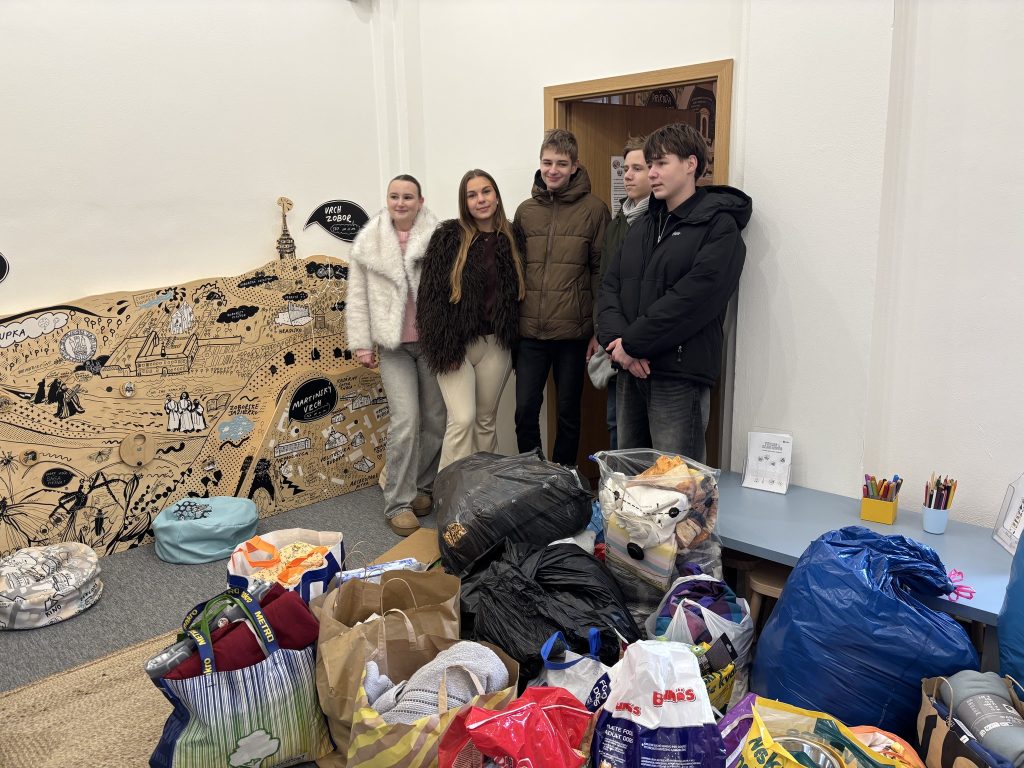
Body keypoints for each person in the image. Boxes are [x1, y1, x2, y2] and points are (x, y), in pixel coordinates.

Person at [598, 122, 752, 463]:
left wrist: (631, 344)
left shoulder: (719, 226)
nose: (652, 173)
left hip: (678, 377)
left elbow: (693, 300)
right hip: (629, 371)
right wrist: (618, 345)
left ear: (691, 164)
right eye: (649, 164)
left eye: (661, 163)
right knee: (629, 480)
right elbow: (609, 287)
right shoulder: (642, 227)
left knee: (676, 484)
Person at [346, 174, 445, 536]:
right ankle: (398, 502)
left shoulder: (438, 237)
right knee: (406, 420)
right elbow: (357, 296)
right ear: (387, 199)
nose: (400, 203)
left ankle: (421, 488)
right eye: (394, 196)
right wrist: (362, 343)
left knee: (436, 420)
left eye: (408, 197)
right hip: (393, 348)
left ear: (420, 201)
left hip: (431, 345)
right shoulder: (368, 242)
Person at [513, 129, 610, 466]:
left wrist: (598, 330)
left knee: (568, 412)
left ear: (575, 166)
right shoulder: (525, 211)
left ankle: (563, 477)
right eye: (547, 162)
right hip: (530, 333)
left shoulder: (595, 210)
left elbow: (601, 273)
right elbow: (515, 270)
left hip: (573, 334)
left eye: (561, 163)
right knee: (525, 410)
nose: (552, 170)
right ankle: (533, 473)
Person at [417, 169, 526, 469]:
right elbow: (430, 299)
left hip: (496, 344)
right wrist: (445, 348)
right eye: (472, 195)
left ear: (496, 196)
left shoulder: (513, 237)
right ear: (464, 202)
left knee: (485, 421)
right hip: (457, 346)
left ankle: (484, 487)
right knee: (462, 420)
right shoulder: (448, 237)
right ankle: (449, 489)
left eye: (486, 191)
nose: (481, 199)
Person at [595, 136, 652, 449]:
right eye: (625, 169)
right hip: (615, 344)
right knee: (616, 422)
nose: (627, 175)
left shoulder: (658, 221)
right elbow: (606, 282)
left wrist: (633, 342)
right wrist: (605, 334)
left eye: (636, 169)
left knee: (647, 434)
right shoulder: (618, 221)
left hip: (646, 348)